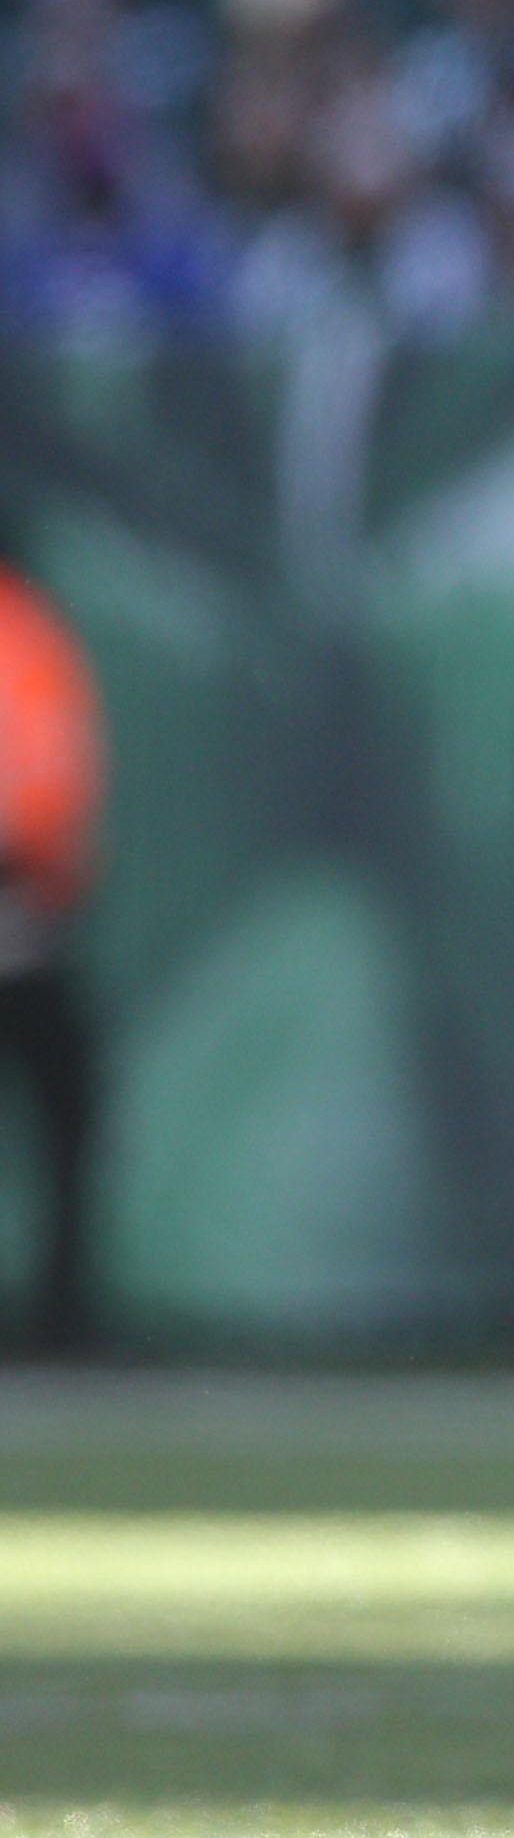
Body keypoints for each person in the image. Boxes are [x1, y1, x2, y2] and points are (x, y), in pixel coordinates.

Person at [0, 530, 103, 1358]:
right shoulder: (28, 632)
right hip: (24, 916)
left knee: (67, 1118)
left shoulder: (24, 633)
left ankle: (61, 1318)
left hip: (21, 923)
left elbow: (47, 790)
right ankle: (60, 1320)